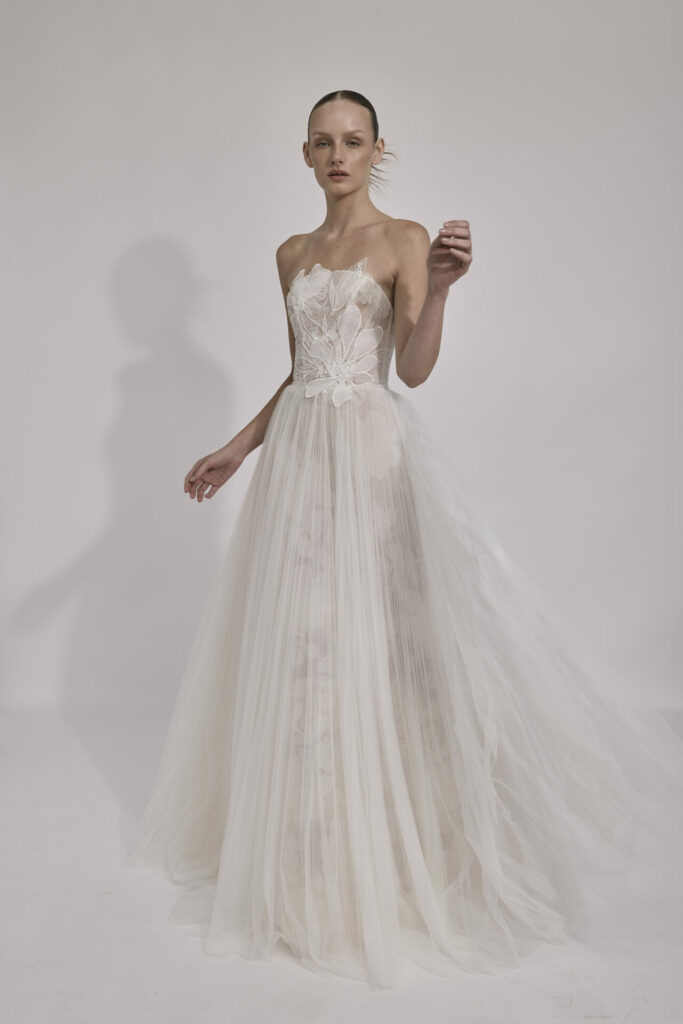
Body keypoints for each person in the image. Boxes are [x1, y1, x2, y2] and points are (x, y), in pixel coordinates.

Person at [124, 90, 683, 990]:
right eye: (322, 142)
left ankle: (401, 851)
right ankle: (310, 861)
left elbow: (411, 369)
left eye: (354, 141)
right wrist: (237, 447)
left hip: (373, 460)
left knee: (389, 649)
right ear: (304, 154)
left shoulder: (405, 239)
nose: (338, 154)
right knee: (306, 647)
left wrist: (445, 290)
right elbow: (301, 369)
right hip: (300, 464)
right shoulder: (291, 254)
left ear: (378, 150)